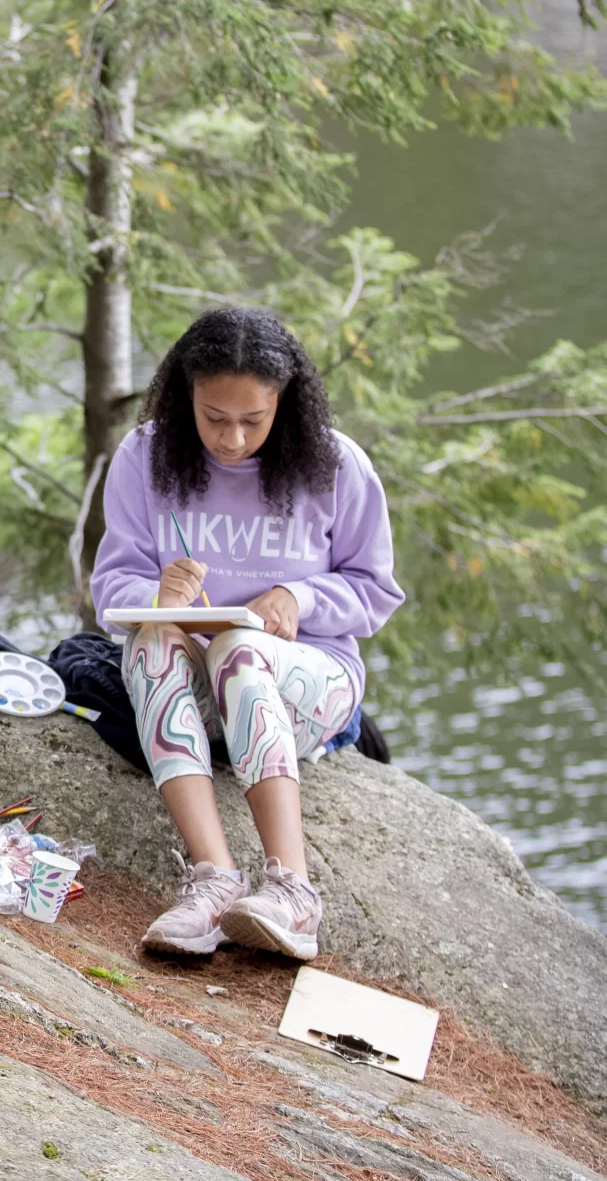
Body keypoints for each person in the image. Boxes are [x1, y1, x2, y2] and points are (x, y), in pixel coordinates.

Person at [90, 307, 404, 961]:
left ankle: (291, 891)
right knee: (150, 644)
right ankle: (212, 882)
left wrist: (300, 596)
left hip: (306, 681)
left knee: (238, 647)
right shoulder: (145, 458)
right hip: (195, 692)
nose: (231, 439)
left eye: (251, 420)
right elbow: (110, 591)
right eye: (213, 417)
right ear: (186, 398)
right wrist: (156, 599)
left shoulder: (334, 466)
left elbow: (374, 593)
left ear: (282, 405)